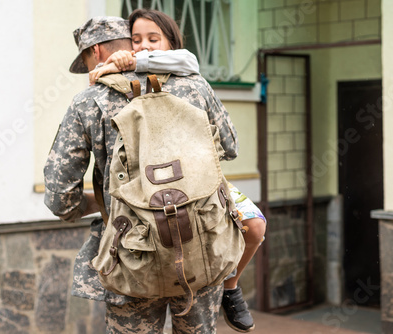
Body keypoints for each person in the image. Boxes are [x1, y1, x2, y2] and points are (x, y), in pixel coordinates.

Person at [44, 14, 238, 333]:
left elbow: (59, 199)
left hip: (131, 255)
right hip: (200, 245)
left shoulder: (88, 101)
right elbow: (230, 148)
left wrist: (103, 204)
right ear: (131, 43)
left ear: (96, 53)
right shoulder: (194, 85)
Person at [89, 8, 267, 333]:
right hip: (145, 200)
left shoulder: (188, 72)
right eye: (136, 40)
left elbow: (228, 146)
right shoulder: (114, 84)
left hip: (200, 187)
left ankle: (231, 286)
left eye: (153, 39)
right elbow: (230, 146)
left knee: (254, 227)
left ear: (172, 43)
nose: (143, 46)